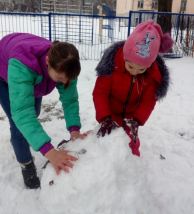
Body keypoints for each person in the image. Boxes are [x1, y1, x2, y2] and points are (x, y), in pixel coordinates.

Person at [0, 33, 88, 189]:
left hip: (34, 74)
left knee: (34, 113)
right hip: (5, 71)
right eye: (60, 77)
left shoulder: (67, 65)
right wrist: (49, 152)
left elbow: (69, 100)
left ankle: (29, 137)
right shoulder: (23, 65)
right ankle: (26, 164)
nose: (65, 82)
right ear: (48, 61)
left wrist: (74, 129)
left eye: (68, 78)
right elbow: (22, 113)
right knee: (19, 125)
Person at [93, 20, 174, 156]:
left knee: (131, 144)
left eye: (141, 69)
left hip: (131, 116)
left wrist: (137, 120)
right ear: (125, 57)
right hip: (110, 112)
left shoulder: (151, 76)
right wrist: (105, 117)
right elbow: (99, 93)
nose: (134, 72)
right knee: (107, 143)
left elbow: (148, 101)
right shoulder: (111, 67)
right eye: (130, 67)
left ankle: (133, 166)